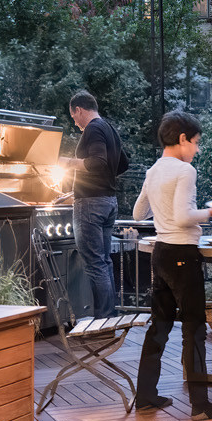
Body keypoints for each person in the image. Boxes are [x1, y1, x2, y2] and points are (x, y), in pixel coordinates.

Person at [131, 110, 212, 419]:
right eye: (196, 143)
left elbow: (138, 214)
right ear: (182, 139)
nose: (197, 149)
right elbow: (182, 217)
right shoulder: (185, 172)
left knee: (159, 327)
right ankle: (200, 405)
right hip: (182, 254)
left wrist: (160, 210)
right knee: (194, 329)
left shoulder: (153, 171)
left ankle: (146, 395)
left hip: (160, 253)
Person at [67, 90, 129, 318]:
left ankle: (103, 320)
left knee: (95, 264)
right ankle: (109, 317)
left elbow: (97, 162)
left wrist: (67, 162)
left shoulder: (92, 129)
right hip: (108, 202)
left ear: (79, 110)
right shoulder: (109, 128)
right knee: (104, 262)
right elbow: (122, 165)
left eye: (74, 117)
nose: (75, 123)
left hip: (90, 204)